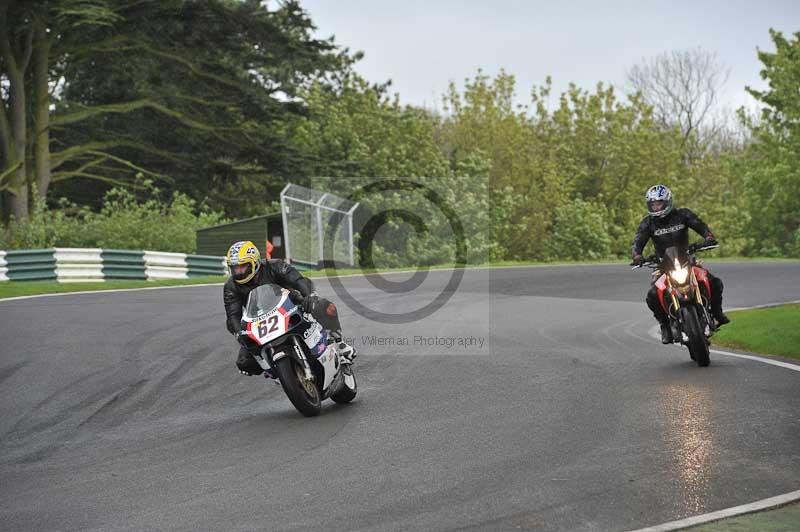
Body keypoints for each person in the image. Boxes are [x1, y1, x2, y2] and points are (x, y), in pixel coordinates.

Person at [223, 240, 356, 376]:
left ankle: (340, 343)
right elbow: (232, 314)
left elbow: (298, 280)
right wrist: (239, 332)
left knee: (325, 307)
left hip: (291, 305)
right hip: (260, 320)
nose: (238, 272)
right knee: (244, 362)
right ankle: (276, 371)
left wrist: (310, 295)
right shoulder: (231, 286)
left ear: (255, 262)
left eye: (242, 267)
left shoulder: (274, 266)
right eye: (234, 268)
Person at [631, 185, 729, 344]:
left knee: (715, 282)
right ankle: (665, 326)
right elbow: (638, 241)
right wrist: (637, 256)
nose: (656, 207)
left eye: (659, 203)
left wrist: (708, 237)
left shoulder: (682, 215)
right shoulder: (648, 223)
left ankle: (717, 313)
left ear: (668, 202)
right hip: (664, 266)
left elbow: (699, 224)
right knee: (652, 296)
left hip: (687, 260)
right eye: (653, 204)